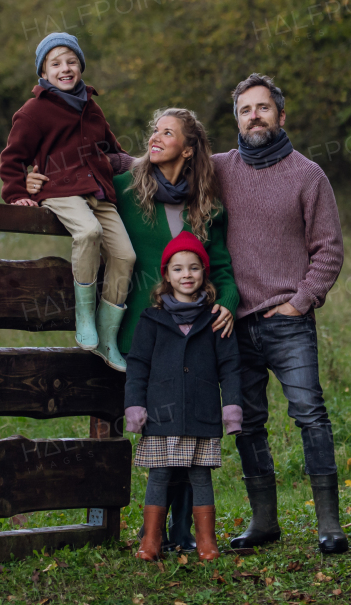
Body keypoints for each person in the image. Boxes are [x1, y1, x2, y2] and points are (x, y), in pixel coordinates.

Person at [28, 73, 348, 554]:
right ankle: (263, 522)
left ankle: (330, 525)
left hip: (279, 319)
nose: (254, 116)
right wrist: (32, 176)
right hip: (225, 325)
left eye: (263, 108)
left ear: (282, 116)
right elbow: (130, 159)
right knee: (247, 422)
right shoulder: (220, 169)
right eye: (245, 110)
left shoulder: (305, 176)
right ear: (236, 119)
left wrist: (299, 302)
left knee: (309, 413)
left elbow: (327, 252)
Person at [112, 108, 239, 552]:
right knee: (160, 434)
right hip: (144, 330)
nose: (156, 137)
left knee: (192, 431)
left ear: (187, 148)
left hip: (197, 331)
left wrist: (227, 303)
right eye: (154, 130)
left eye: (168, 132)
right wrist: (31, 184)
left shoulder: (208, 206)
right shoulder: (126, 190)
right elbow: (81, 194)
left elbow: (221, 268)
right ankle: (145, 532)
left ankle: (185, 534)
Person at [0, 32, 135, 370]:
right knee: (88, 233)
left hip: (98, 192)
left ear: (81, 66)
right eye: (55, 63)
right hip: (60, 191)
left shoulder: (92, 107)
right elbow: (12, 157)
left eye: (71, 61)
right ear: (43, 73)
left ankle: (107, 336)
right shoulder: (34, 111)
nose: (65, 68)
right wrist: (17, 192)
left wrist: (148, 168)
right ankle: (84, 318)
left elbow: (114, 152)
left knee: (126, 256)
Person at [124, 231, 242, 562]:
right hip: (162, 414)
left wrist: (231, 407)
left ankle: (206, 540)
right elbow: (137, 365)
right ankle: (151, 540)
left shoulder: (216, 319)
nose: (186, 275)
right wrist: (134, 405)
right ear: (166, 275)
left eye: (193, 268)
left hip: (202, 413)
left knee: (200, 475)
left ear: (204, 273)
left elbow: (230, 366)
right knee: (159, 475)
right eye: (178, 269)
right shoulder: (151, 319)